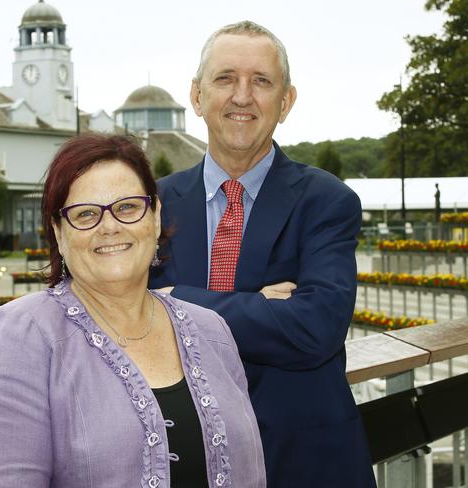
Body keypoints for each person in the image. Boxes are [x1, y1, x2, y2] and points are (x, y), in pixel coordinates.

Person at [0, 134, 266, 487]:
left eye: (128, 207)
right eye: (85, 214)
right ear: (58, 232)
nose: (110, 226)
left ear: (156, 216)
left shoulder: (212, 331)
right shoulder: (20, 337)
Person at [149, 21, 376, 487]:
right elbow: (121, 316)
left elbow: (316, 328)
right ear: (196, 96)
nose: (242, 96)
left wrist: (173, 301)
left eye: (261, 81)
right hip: (184, 461)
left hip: (306, 463)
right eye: (225, 78)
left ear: (286, 102)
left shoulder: (328, 201)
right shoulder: (151, 204)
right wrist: (258, 305)